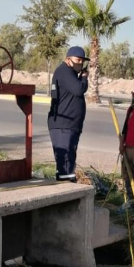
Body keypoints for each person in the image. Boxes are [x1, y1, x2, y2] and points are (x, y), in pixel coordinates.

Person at [48, 46, 90, 182]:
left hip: (70, 125)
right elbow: (78, 90)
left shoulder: (69, 73)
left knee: (67, 162)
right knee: (65, 163)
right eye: (78, 60)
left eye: (82, 61)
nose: (80, 63)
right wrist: (84, 78)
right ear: (68, 59)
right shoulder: (64, 71)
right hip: (63, 125)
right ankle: (66, 193)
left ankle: (66, 193)